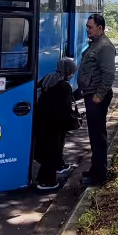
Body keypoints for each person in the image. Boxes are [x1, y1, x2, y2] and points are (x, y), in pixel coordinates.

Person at [78, 13, 117, 187]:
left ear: (100, 28)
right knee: (93, 136)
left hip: (97, 97)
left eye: (90, 27)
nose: (88, 30)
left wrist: (99, 96)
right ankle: (95, 169)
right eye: (87, 27)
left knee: (98, 136)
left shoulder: (105, 46)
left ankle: (99, 174)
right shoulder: (95, 44)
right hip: (91, 95)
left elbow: (109, 75)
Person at [32, 57, 78, 192]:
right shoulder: (64, 86)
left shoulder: (48, 78)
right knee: (51, 152)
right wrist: (71, 123)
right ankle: (46, 182)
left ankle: (59, 165)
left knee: (48, 149)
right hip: (54, 124)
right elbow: (65, 110)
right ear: (67, 71)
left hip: (41, 120)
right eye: (71, 73)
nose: (72, 75)